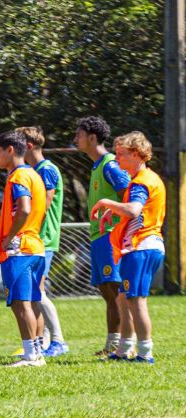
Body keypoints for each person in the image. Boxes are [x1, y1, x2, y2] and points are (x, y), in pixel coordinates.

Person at [92, 131, 164, 363]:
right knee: (124, 298)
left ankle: (144, 352)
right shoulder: (143, 179)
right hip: (142, 246)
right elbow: (136, 210)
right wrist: (113, 211)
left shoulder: (141, 182)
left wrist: (106, 202)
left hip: (142, 246)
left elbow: (133, 210)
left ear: (136, 154)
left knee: (135, 299)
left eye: (121, 154)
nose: (117, 159)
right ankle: (123, 350)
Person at [0, 130, 49, 367]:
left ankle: (31, 355)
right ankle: (36, 352)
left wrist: (9, 237)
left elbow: (24, 209)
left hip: (20, 247)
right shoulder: (35, 175)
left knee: (20, 302)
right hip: (35, 245)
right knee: (31, 300)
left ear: (10, 150)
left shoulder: (18, 178)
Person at [74, 116, 131, 357]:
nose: (75, 139)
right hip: (98, 236)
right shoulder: (97, 166)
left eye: (79, 134)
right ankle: (112, 344)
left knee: (117, 290)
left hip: (111, 235)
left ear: (92, 137)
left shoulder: (110, 164)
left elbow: (129, 194)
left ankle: (125, 344)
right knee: (106, 291)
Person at [17, 126, 69, 358]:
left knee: (37, 290)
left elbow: (43, 205)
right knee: (34, 291)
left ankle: (58, 340)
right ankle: (43, 341)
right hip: (35, 238)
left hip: (43, 238)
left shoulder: (47, 170)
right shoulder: (33, 170)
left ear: (27, 146)